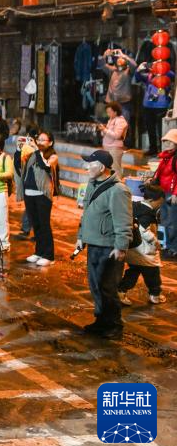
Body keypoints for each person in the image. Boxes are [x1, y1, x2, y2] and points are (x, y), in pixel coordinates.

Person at [75, 150, 132, 340]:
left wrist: (121, 246)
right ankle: (101, 320)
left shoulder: (118, 190)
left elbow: (123, 221)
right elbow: (86, 214)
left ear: (101, 168)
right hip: (93, 243)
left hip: (109, 246)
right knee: (95, 285)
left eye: (90, 164)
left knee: (107, 287)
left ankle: (114, 325)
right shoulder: (92, 184)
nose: (86, 167)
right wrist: (81, 236)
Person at [118, 183, 167, 306]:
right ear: (151, 200)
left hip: (133, 249)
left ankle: (120, 291)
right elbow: (142, 230)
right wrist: (155, 241)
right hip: (145, 251)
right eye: (159, 203)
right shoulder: (147, 213)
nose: (159, 206)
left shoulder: (135, 206)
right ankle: (155, 295)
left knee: (133, 272)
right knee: (153, 275)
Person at [22, 132, 58, 266]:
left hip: (43, 194)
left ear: (50, 142)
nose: (40, 142)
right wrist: (20, 148)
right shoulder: (32, 154)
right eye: (39, 139)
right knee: (35, 225)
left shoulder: (53, 156)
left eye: (43, 140)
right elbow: (20, 166)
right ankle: (39, 252)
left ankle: (49, 255)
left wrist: (37, 150)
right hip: (29, 193)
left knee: (44, 225)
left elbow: (45, 166)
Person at [134, 61, 173, 155]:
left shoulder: (166, 76)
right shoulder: (149, 76)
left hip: (161, 106)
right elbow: (138, 78)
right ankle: (153, 148)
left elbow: (172, 75)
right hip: (148, 106)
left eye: (156, 66)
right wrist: (138, 70)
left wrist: (162, 66)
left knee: (161, 129)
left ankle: (163, 150)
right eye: (153, 65)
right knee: (150, 129)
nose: (154, 67)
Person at [150, 128, 177, 257]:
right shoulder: (166, 157)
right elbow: (159, 173)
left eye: (170, 142)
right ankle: (169, 246)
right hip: (164, 192)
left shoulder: (174, 158)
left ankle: (174, 248)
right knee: (166, 221)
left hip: (172, 195)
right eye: (166, 141)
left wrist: (175, 193)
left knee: (172, 222)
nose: (167, 144)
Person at [98, 48, 135, 126]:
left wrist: (123, 55)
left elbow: (134, 65)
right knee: (111, 126)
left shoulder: (128, 71)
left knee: (122, 126)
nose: (120, 58)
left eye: (122, 58)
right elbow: (101, 64)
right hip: (112, 104)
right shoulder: (112, 70)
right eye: (118, 58)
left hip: (124, 104)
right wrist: (105, 55)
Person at [98, 101, 128, 172]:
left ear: (115, 112)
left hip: (115, 148)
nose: (108, 114)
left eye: (109, 112)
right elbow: (105, 134)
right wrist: (102, 129)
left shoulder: (120, 121)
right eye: (107, 112)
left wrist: (105, 130)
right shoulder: (110, 120)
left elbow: (117, 135)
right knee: (109, 170)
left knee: (115, 170)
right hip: (107, 147)